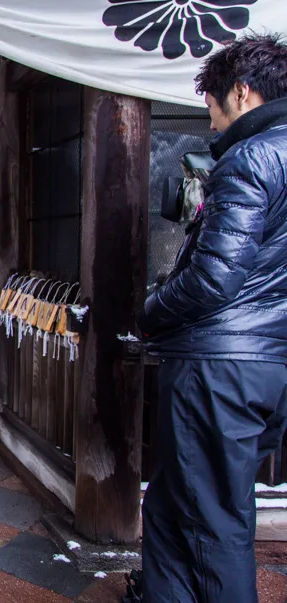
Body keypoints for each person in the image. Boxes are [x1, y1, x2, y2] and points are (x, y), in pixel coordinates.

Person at [135, 34, 287, 603]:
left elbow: (212, 277)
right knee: (183, 500)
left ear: (242, 93)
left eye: (213, 104)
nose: (212, 120)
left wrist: (149, 313)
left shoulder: (252, 156)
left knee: (209, 518)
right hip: (267, 360)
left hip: (220, 365)